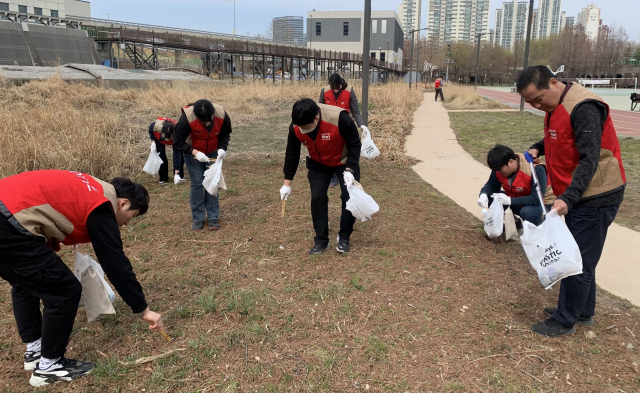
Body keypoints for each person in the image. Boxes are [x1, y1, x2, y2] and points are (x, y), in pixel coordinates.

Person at [0, 170, 162, 387]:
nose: (125, 225)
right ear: (123, 203)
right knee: (64, 290)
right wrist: (144, 309)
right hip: (9, 222)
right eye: (131, 217)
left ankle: (35, 350)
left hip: (8, 215)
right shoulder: (102, 203)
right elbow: (114, 262)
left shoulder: (92, 187)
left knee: (26, 282)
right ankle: (49, 366)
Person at [517, 65, 626, 337]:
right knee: (580, 255)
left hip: (597, 194)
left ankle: (565, 320)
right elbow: (560, 136)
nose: (536, 105)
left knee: (577, 261)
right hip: (580, 194)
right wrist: (538, 147)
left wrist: (569, 197)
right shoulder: (556, 106)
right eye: (530, 102)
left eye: (538, 99)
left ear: (553, 83)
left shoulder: (584, 107)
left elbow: (590, 158)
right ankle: (583, 312)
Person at [280, 99, 362, 255]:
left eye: (306, 127)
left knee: (348, 197)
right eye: (300, 127)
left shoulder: (339, 118)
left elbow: (354, 143)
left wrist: (350, 169)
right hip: (319, 163)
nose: (302, 131)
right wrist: (287, 184)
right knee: (317, 197)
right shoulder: (297, 125)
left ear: (316, 119)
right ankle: (321, 241)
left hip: (343, 161)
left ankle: (344, 237)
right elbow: (292, 153)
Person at [173, 99, 232, 231]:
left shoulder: (221, 114)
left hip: (213, 151)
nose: (207, 123)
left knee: (213, 182)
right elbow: (177, 141)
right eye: (203, 121)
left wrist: (222, 148)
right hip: (193, 152)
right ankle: (198, 219)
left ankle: (213, 217)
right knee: (197, 183)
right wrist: (195, 152)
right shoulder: (187, 117)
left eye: (208, 119)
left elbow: (225, 133)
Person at [477, 144, 555, 227]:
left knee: (527, 212)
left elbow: (537, 199)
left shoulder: (535, 169)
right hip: (517, 199)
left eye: (500, 170)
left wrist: (510, 201)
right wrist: (483, 194)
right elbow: (492, 184)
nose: (498, 173)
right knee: (491, 197)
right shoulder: (499, 167)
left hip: (542, 204)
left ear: (511, 162)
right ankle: (514, 224)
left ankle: (541, 230)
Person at [319, 74, 369, 188]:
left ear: (342, 83)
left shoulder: (349, 91)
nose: (336, 89)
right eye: (333, 87)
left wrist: (362, 125)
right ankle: (333, 177)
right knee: (330, 150)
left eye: (338, 86)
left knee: (345, 150)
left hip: (345, 125)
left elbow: (355, 111)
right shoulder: (325, 91)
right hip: (329, 126)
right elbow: (320, 109)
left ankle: (347, 172)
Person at [147, 117, 185, 185]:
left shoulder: (178, 133)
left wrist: (177, 173)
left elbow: (177, 154)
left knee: (180, 155)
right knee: (160, 155)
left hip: (175, 138)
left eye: (169, 137)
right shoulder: (156, 127)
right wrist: (153, 141)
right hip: (159, 139)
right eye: (165, 136)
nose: (167, 139)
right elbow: (150, 130)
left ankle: (179, 176)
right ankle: (163, 178)